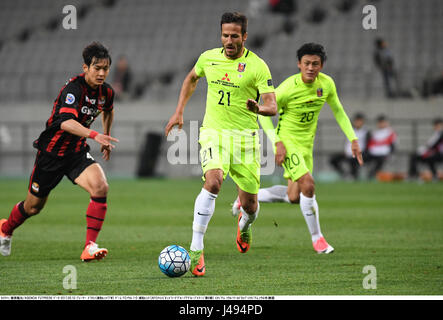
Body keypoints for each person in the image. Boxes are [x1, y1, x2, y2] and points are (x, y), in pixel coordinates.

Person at [165, 12, 277, 276]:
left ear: (244, 37)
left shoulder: (258, 66)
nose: (229, 40)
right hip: (214, 133)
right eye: (225, 35)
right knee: (213, 181)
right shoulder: (208, 58)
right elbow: (191, 78)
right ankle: (196, 249)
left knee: (250, 205)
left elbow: (272, 106)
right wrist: (179, 110)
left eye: (234, 36)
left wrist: (259, 109)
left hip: (246, 141)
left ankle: (245, 226)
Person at [240, 43, 363, 254]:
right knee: (309, 185)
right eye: (306, 63)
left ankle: (248, 197)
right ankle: (318, 239)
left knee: (295, 196)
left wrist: (353, 139)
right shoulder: (288, 88)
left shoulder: (327, 85)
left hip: (307, 146)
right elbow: (263, 114)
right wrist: (276, 142)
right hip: (288, 144)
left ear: (321, 65)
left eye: (315, 63)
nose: (310, 67)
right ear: (299, 64)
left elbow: (339, 111)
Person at [0, 42, 119, 261]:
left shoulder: (106, 92)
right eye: (96, 68)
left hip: (76, 153)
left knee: (100, 187)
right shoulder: (73, 90)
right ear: (85, 67)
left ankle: (89, 246)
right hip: (51, 154)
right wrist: (95, 135)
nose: (101, 73)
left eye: (105, 68)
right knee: (33, 207)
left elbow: (108, 111)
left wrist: (105, 134)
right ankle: (5, 228)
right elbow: (66, 123)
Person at [329, 112, 369, 180]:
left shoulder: (366, 132)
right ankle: (344, 173)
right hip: (348, 153)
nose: (358, 123)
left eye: (360, 121)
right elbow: (346, 143)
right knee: (333, 159)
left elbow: (367, 145)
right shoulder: (350, 130)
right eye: (357, 121)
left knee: (354, 162)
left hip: (359, 154)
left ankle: (354, 176)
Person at [365, 115, 397, 179]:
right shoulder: (374, 133)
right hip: (373, 153)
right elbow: (369, 145)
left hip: (384, 154)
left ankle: (373, 174)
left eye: (382, 122)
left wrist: (391, 154)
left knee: (380, 161)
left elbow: (392, 146)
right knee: (362, 158)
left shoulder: (390, 133)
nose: (381, 124)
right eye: (379, 122)